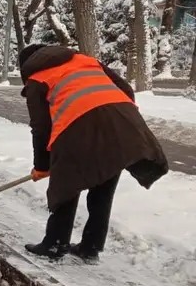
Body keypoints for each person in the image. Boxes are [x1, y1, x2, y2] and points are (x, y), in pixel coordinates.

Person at [18, 43, 168, 262]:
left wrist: (42, 166)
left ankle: (54, 245)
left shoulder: (36, 79)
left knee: (66, 186)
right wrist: (113, 116)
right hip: (123, 124)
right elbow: (125, 88)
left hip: (80, 129)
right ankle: (91, 247)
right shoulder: (84, 60)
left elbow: (41, 128)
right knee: (103, 186)